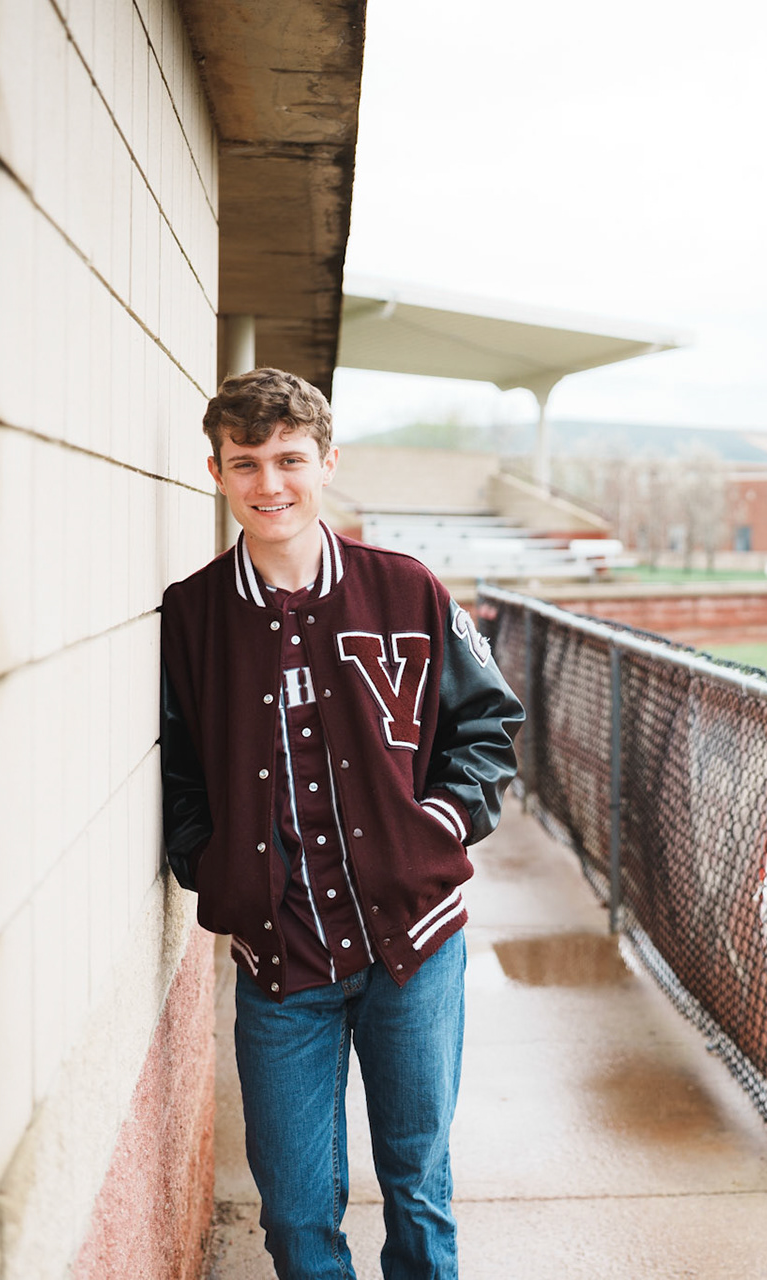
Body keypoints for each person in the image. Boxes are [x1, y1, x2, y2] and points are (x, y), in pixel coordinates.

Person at [159, 368, 523, 1279]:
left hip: (415, 945)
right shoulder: (193, 615)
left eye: (289, 459)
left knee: (417, 1187)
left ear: (327, 462)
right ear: (216, 471)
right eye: (246, 463)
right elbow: (180, 772)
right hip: (281, 959)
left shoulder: (407, 589)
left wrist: (436, 825)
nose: (269, 483)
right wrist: (212, 865)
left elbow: (488, 727)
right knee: (294, 1215)